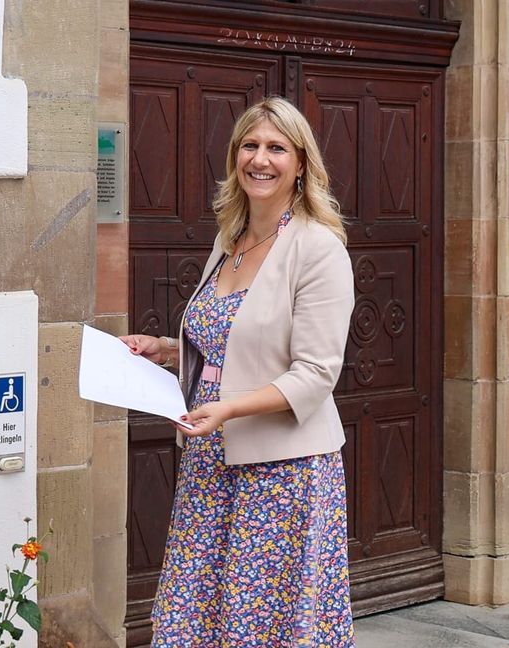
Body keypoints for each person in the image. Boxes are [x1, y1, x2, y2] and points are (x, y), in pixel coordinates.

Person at [120, 96, 355, 647]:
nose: (261, 159)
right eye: (250, 145)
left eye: (277, 147)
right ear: (234, 157)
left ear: (301, 163)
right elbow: (232, 343)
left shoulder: (319, 249)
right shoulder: (231, 241)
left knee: (260, 623)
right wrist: (165, 348)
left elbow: (316, 373)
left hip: (282, 472)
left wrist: (227, 409)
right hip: (209, 459)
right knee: (195, 611)